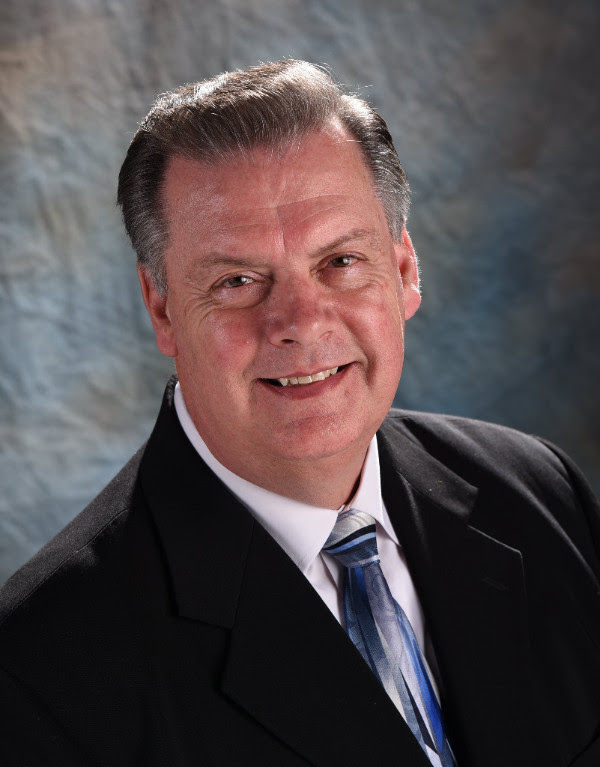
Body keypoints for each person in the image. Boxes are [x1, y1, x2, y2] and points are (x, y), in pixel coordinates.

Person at [1, 60, 599, 767]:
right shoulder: (42, 668)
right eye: (238, 280)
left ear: (404, 269)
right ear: (162, 308)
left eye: (340, 262)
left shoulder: (540, 496)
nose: (300, 322)